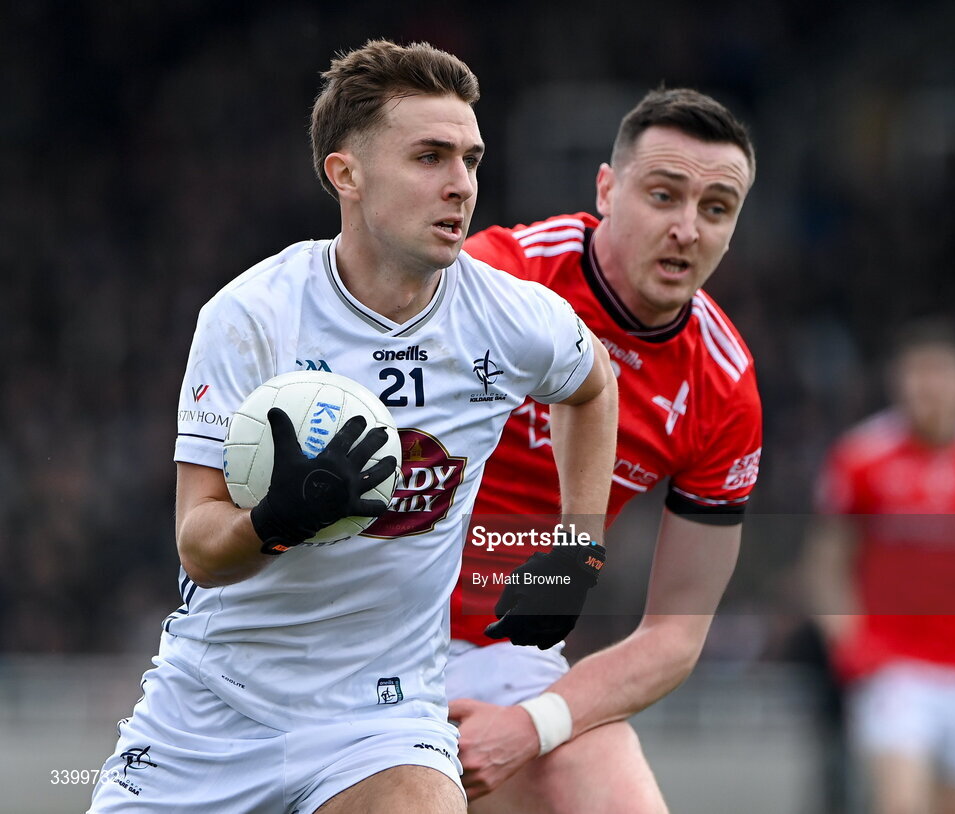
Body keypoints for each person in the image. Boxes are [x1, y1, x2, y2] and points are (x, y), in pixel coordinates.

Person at [89, 39, 618, 814]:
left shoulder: (510, 318)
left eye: (470, 159)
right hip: (214, 709)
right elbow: (200, 548)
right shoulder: (252, 316)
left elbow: (592, 384)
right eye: (430, 157)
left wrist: (577, 547)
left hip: (382, 714)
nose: (461, 186)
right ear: (346, 173)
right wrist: (276, 520)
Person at [447, 87, 762, 812]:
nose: (687, 228)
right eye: (663, 195)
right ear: (607, 190)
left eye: (715, 210)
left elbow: (674, 638)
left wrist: (533, 723)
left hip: (504, 654)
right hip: (364, 625)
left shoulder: (723, 387)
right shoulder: (502, 274)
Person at [804, 321, 955, 814]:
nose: (931, 389)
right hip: (894, 667)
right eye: (918, 376)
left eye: (943, 375)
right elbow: (825, 564)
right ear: (897, 382)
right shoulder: (862, 456)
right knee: (901, 803)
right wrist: (852, 644)